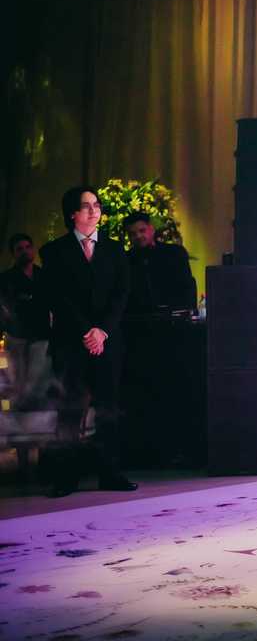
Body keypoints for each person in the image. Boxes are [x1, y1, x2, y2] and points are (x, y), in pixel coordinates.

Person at [40, 186, 136, 497]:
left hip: (107, 342)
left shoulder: (115, 249)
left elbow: (122, 294)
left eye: (97, 205)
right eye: (86, 206)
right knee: (70, 410)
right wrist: (86, 331)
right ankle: (66, 478)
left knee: (109, 408)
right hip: (71, 342)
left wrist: (102, 331)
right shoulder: (53, 251)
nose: (94, 211)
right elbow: (59, 297)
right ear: (72, 214)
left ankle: (110, 473)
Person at [0, 233, 52, 408]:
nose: (24, 251)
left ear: (33, 249)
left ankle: (36, 415)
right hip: (16, 336)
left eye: (27, 247)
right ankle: (17, 415)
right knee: (17, 381)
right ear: (13, 253)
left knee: (37, 380)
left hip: (41, 335)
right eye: (19, 249)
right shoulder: (5, 279)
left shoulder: (44, 276)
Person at [123, 211, 198, 315]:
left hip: (174, 315)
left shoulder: (174, 253)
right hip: (140, 318)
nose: (138, 236)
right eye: (132, 234)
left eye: (142, 230)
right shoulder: (126, 260)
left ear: (151, 229)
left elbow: (187, 286)